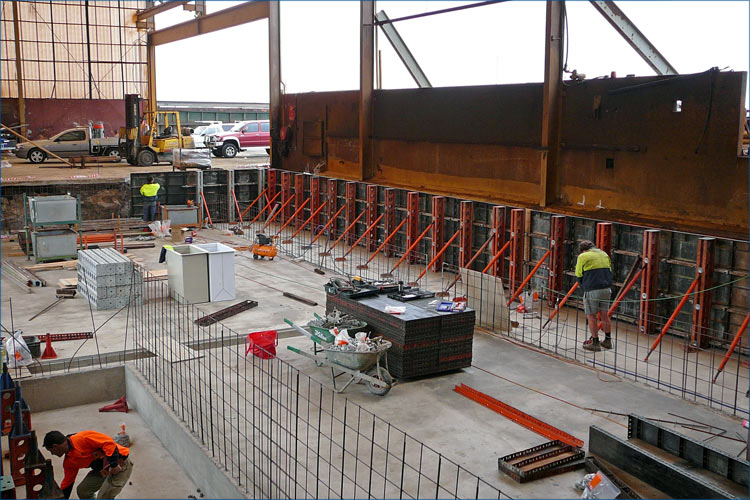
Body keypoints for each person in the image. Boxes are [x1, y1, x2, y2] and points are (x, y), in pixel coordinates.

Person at [43, 429, 133, 500]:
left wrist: (113, 465)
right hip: (103, 470)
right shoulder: (69, 462)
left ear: (55, 446)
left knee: (104, 497)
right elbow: (67, 483)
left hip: (120, 464)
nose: (52, 454)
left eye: (51, 451)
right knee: (83, 491)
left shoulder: (82, 438)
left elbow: (109, 443)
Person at [574, 240, 613, 351]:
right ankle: (607, 341)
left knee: (591, 316)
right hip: (606, 289)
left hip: (592, 289)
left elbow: (578, 274)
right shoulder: (604, 254)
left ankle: (595, 343)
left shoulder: (583, 256)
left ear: (582, 250)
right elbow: (609, 270)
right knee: (605, 315)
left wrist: (583, 287)